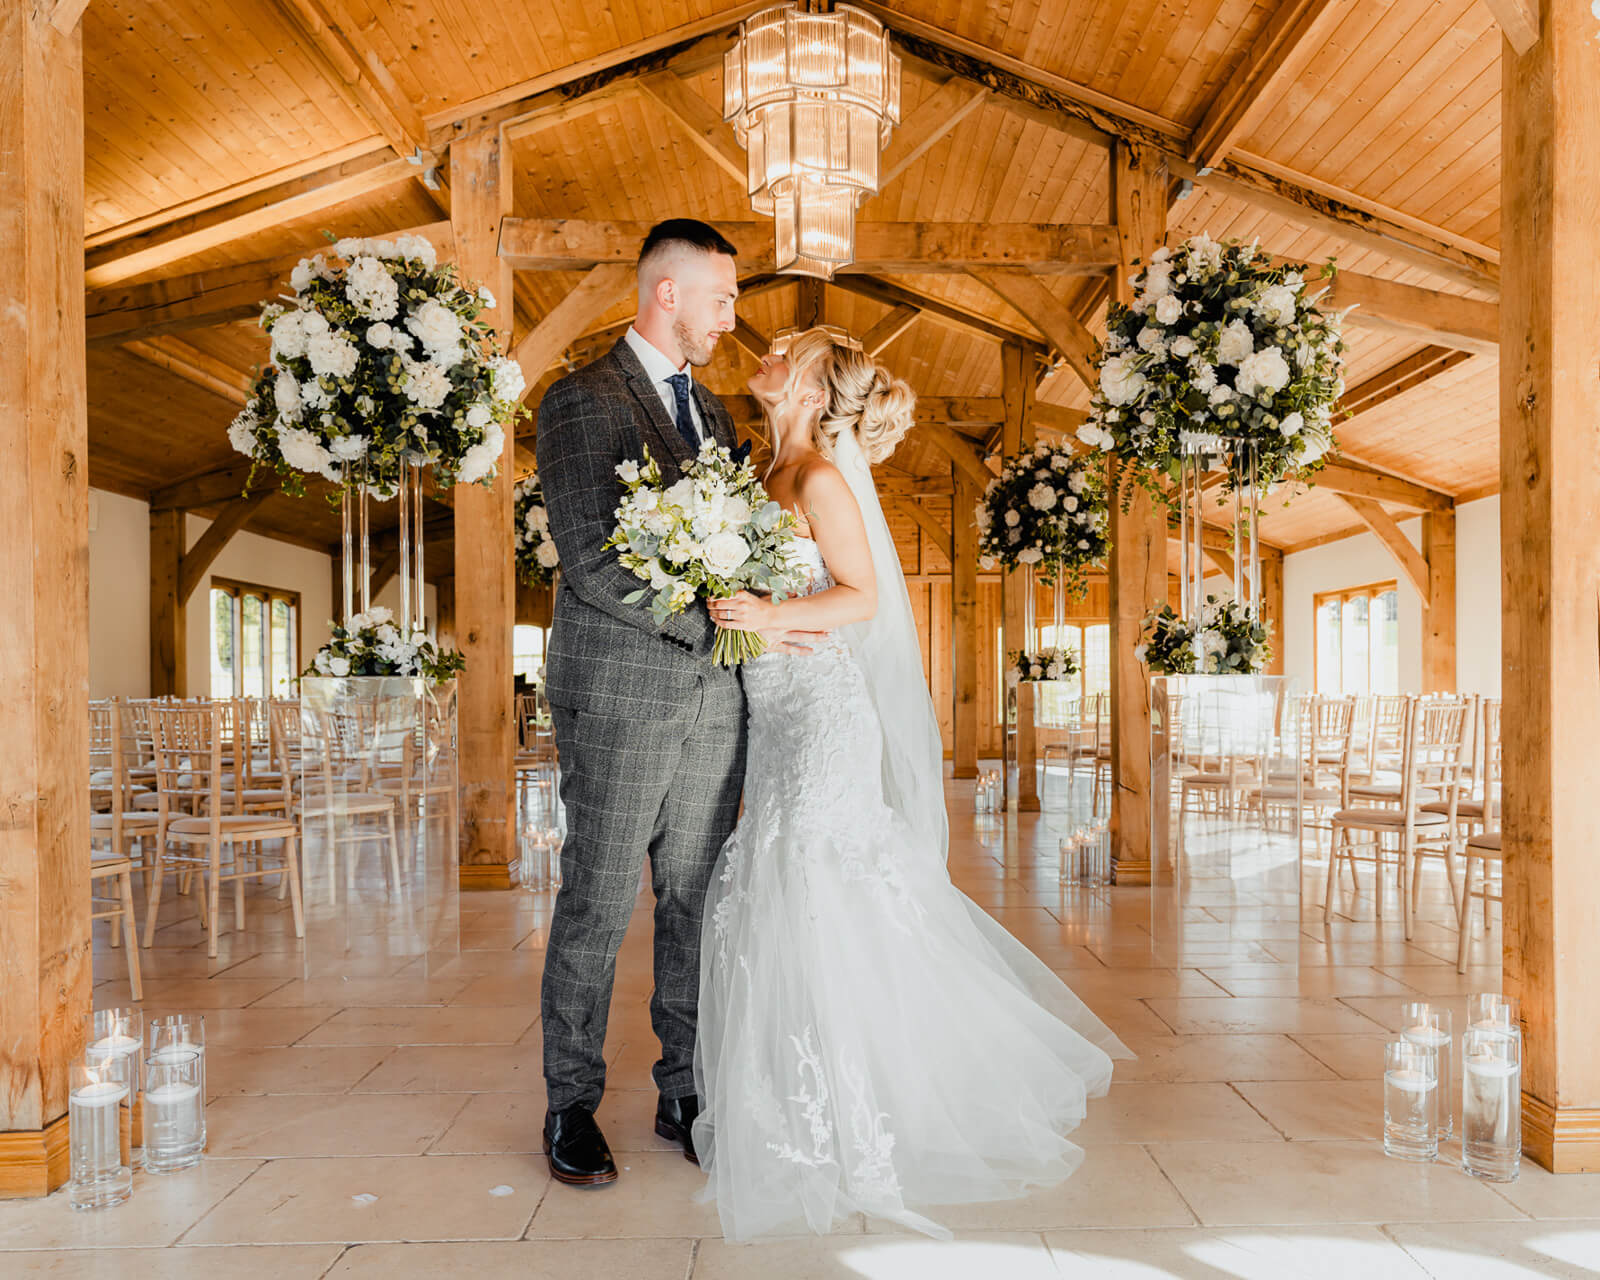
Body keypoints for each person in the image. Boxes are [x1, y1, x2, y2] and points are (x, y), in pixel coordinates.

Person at [693, 328, 1131, 1240]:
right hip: (771, 711)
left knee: (816, 881)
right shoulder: (753, 472)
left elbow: (864, 597)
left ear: (811, 385)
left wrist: (770, 612)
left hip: (820, 716)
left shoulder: (817, 478)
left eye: (788, 348)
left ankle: (854, 1102)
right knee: (778, 881)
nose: (765, 350)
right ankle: (788, 1087)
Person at [534, 219, 820, 1187]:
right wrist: (723, 628)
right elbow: (593, 559)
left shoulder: (714, 413)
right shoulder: (579, 399)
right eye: (723, 298)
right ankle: (569, 1100)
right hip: (619, 694)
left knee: (695, 902)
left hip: (715, 706)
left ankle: (683, 1089)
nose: (730, 317)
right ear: (669, 292)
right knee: (599, 901)